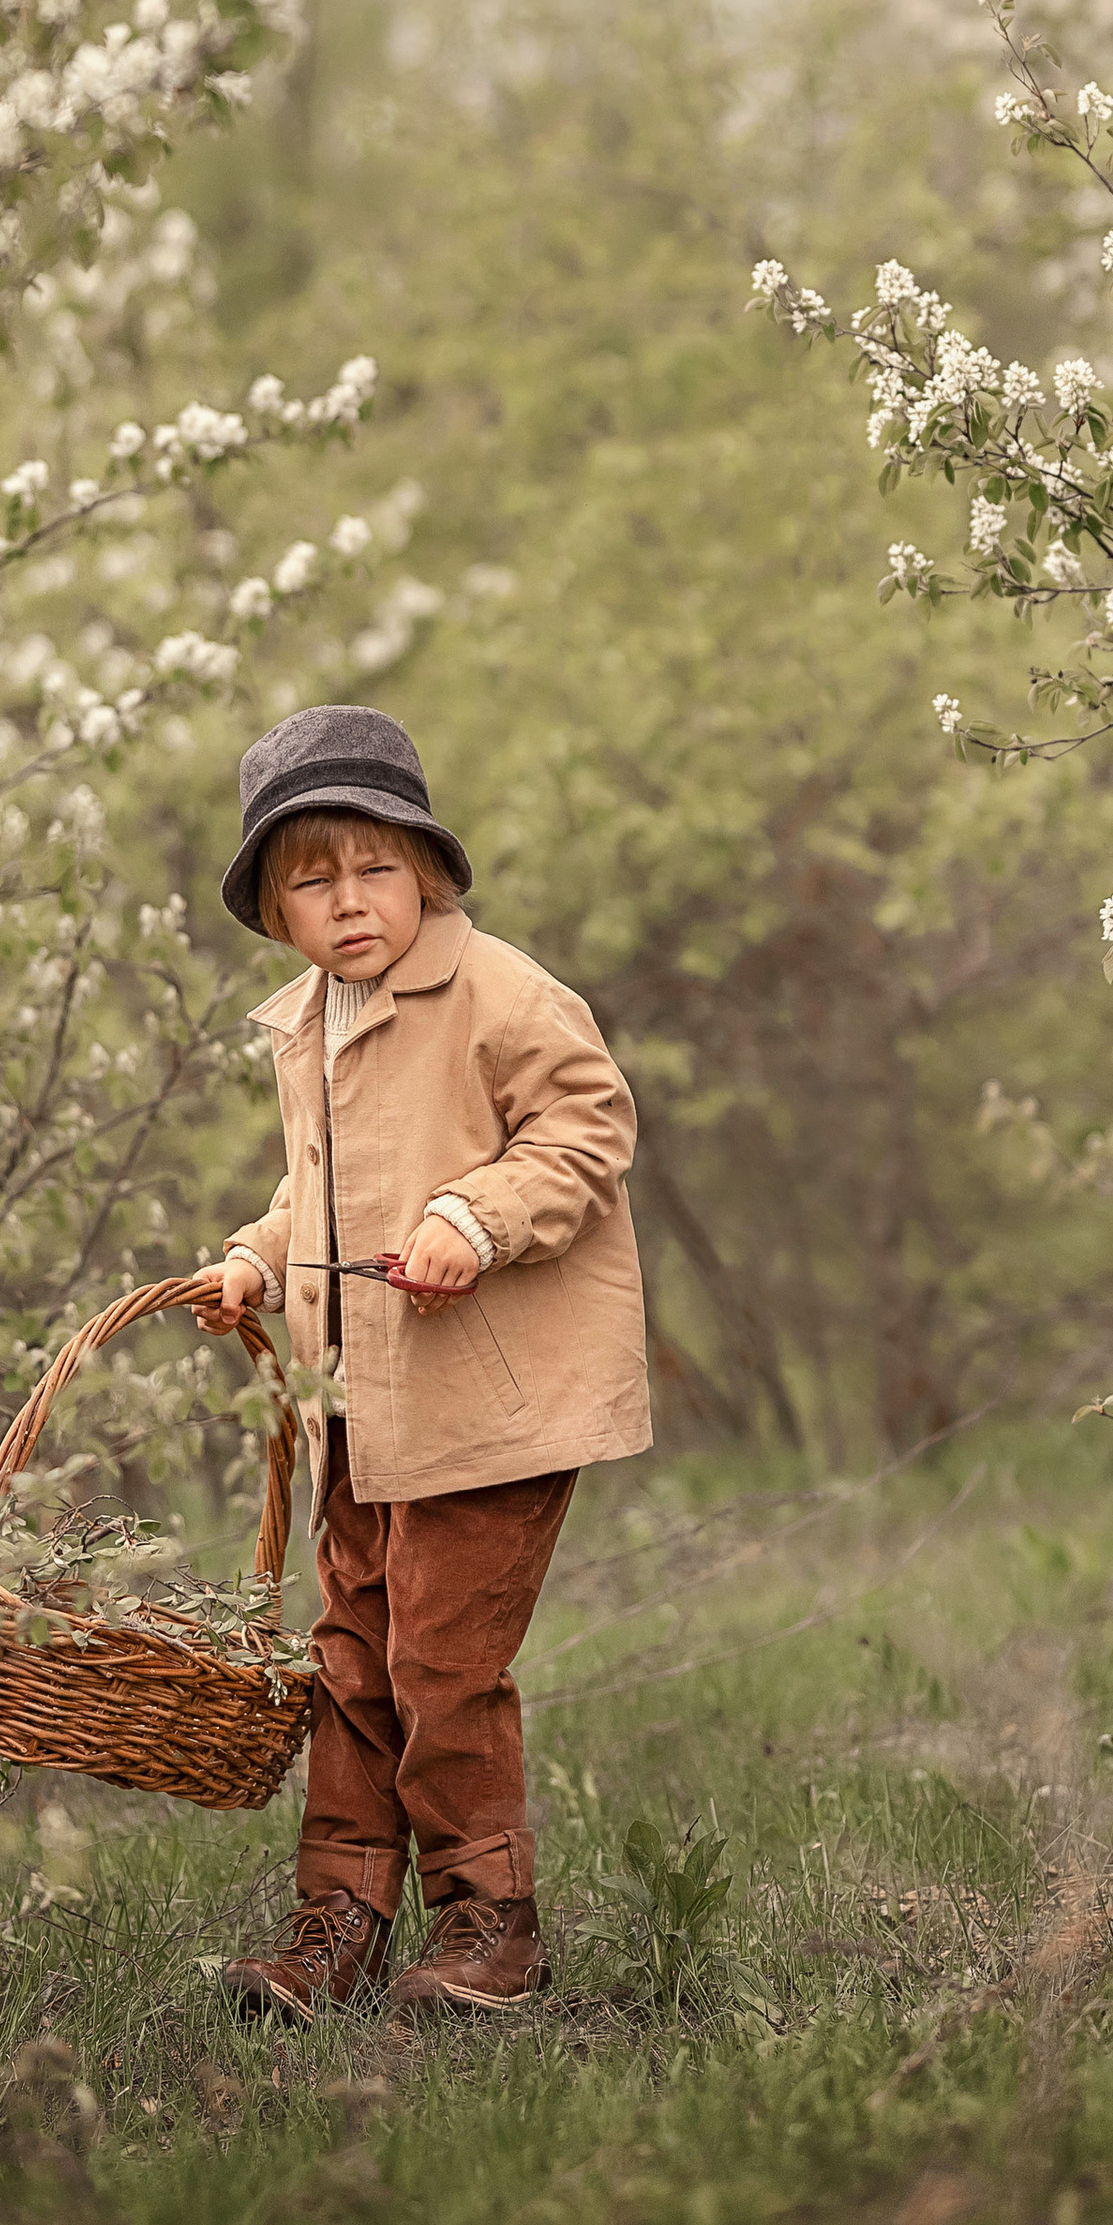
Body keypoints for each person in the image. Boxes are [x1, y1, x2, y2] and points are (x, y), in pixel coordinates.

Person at [202, 703, 651, 2017]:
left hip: (486, 1409)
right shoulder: (308, 1025)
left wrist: (476, 1217)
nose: (349, 904)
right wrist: (260, 1257)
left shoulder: (499, 993)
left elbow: (584, 1130)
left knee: (440, 1669)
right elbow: (321, 1191)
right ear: (277, 912)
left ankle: (491, 1924)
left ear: (430, 872)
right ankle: (337, 1924)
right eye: (312, 880)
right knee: (350, 1671)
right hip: (363, 1415)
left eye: (374, 869)